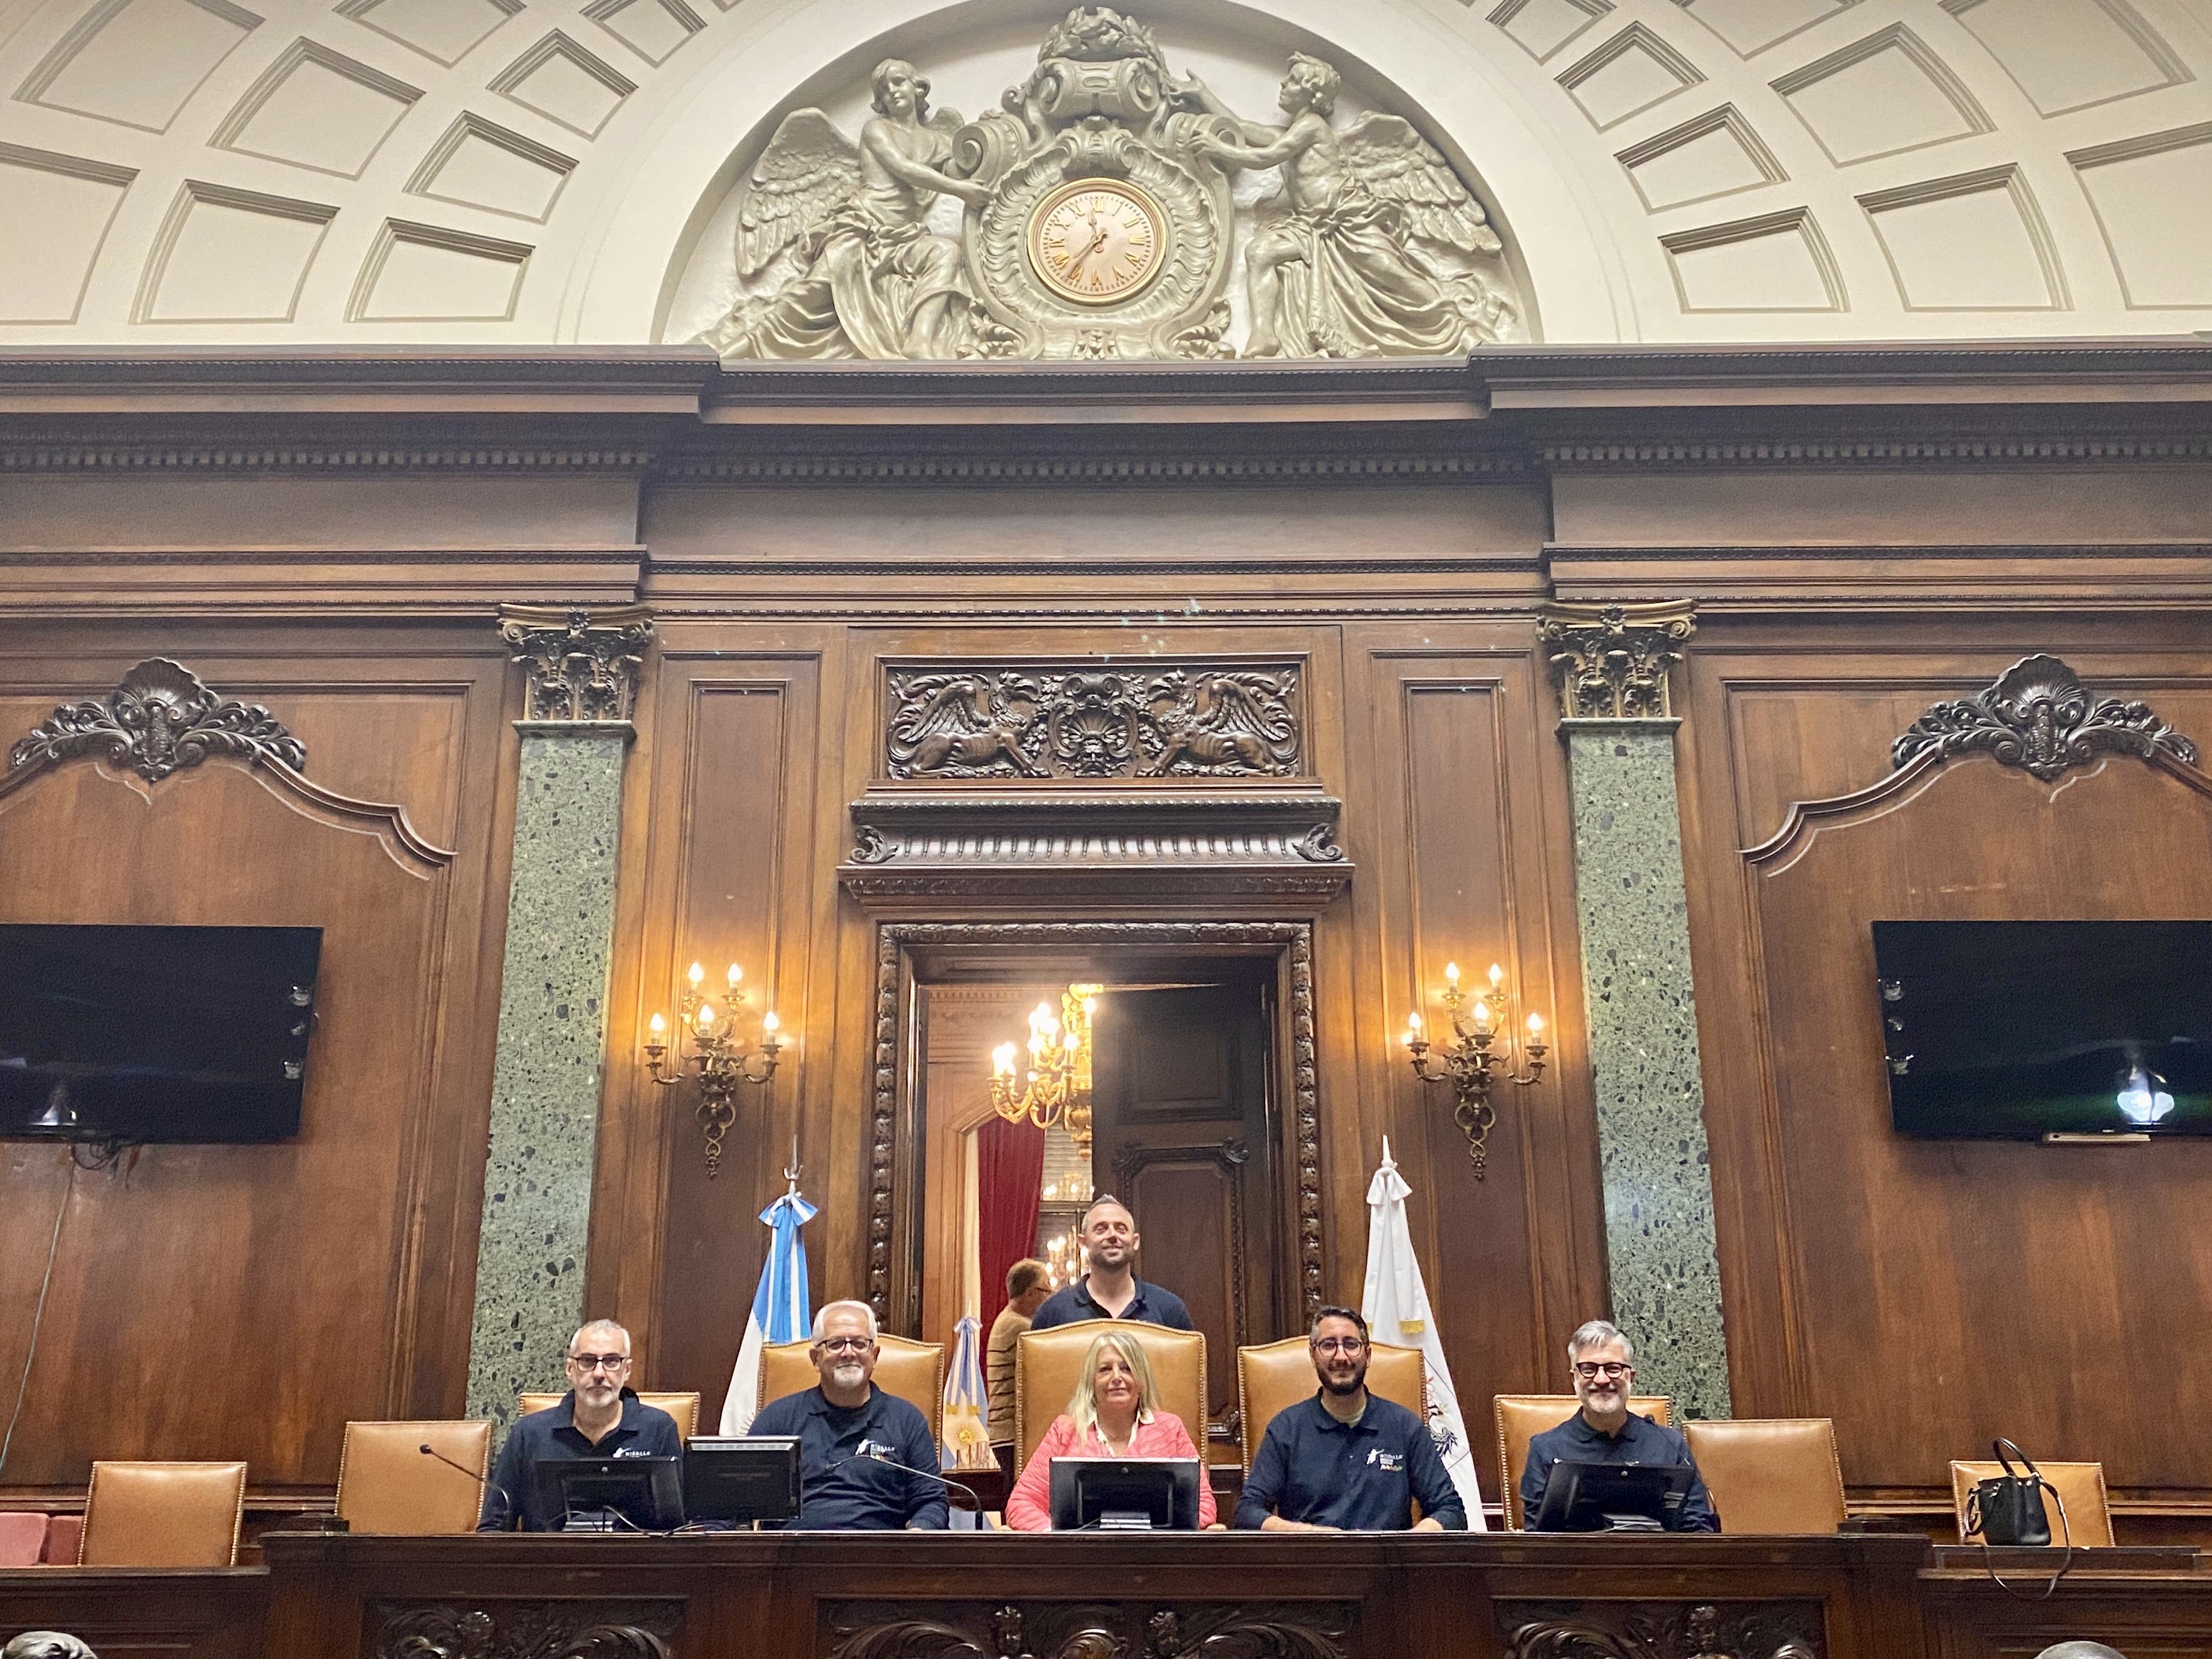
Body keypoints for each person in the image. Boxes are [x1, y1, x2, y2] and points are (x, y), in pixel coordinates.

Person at [1234, 1306, 1464, 1532]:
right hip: (1311, 1554)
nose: (1341, 1356)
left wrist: (1412, 1542)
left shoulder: (1405, 1426)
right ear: (1313, 1356)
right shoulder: (1286, 1429)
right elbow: (1248, 1512)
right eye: (1328, 1345)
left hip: (1388, 1556)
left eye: (1351, 1344)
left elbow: (1451, 1510)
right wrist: (1306, 1533)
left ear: (1368, 1355)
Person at [747, 1299, 948, 1530]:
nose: (849, 1353)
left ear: (875, 1355)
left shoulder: (907, 1420)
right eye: (835, 1344)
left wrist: (920, 1530)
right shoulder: (778, 1419)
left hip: (882, 1549)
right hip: (794, 1549)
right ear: (815, 1358)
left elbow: (931, 1500)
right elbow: (734, 1496)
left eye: (860, 1344)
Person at [477, 1319, 682, 1531]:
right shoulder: (529, 1433)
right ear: (569, 1369)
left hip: (635, 1553)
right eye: (587, 1361)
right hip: (549, 1553)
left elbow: (680, 1528)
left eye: (612, 1361)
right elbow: (492, 1527)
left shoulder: (659, 1429)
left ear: (627, 1370)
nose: (599, 1374)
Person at [1005, 1327, 1217, 1530]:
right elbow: (1021, 1504)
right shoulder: (1065, 1431)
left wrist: (1173, 1534)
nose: (1117, 1377)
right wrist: (1055, 1535)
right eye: (1105, 1369)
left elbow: (1204, 1505)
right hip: (1080, 1551)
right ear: (1091, 1383)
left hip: (1155, 1551)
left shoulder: (1171, 1429)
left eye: (1127, 1368)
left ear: (1142, 1381)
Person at [1521, 1319, 1718, 1532]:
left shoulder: (1670, 1445)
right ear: (1574, 1378)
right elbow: (1537, 1538)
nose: (1602, 1379)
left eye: (1613, 1368)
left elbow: (1698, 1529)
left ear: (1631, 1377)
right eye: (1589, 1369)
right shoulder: (1545, 1448)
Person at [1027, 1195, 1195, 1332]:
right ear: (1083, 1242)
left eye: (1121, 1229)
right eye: (1101, 1229)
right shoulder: (1052, 1313)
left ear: (1135, 1242)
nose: (1112, 1235)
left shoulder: (1169, 1309)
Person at [988, 1258, 1052, 1466]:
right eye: (1047, 1289)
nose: (1050, 1296)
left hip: (1005, 1433)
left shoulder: (1007, 1319)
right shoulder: (1021, 1328)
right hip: (1012, 1434)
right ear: (1031, 1293)